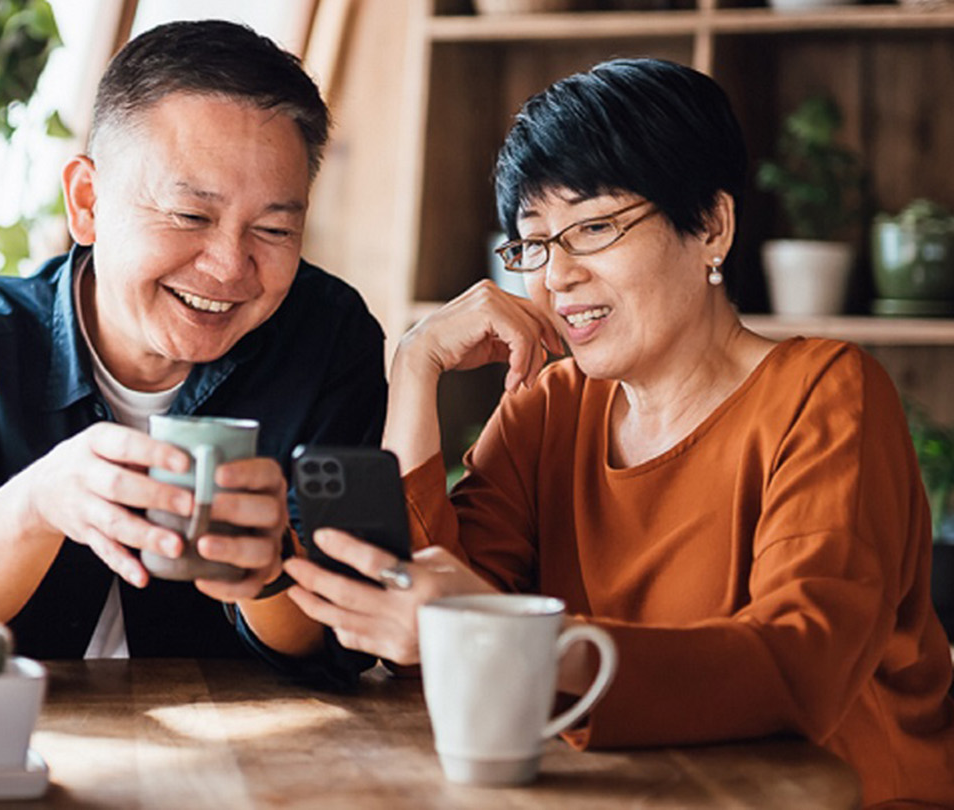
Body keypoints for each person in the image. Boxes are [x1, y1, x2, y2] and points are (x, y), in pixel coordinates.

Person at [282, 58, 954, 805]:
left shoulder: (828, 395)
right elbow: (418, 650)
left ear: (710, 225)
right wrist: (415, 365)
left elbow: (796, 670)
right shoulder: (549, 407)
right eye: (534, 242)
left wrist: (508, 639)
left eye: (594, 227)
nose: (555, 276)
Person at [0, 20, 386, 684]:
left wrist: (269, 574)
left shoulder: (328, 342)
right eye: (190, 217)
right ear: (87, 201)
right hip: (13, 742)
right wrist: (40, 502)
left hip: (246, 762)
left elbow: (345, 642)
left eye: (274, 228)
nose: (229, 266)